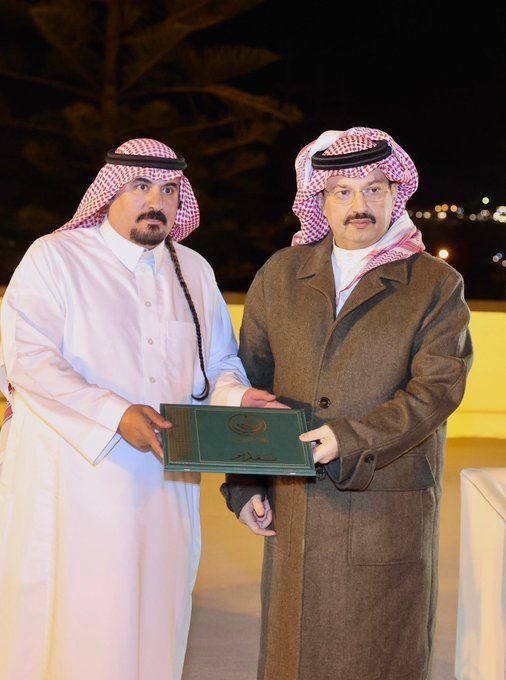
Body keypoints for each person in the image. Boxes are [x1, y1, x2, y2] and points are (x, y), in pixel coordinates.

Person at [0, 138, 280, 680]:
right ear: (109, 193)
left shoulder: (192, 270)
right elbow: (28, 359)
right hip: (75, 480)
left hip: (164, 483)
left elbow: (218, 362)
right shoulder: (56, 258)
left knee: (157, 618)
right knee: (79, 624)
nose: (157, 201)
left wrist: (236, 396)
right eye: (140, 185)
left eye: (170, 189)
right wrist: (115, 413)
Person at [221, 127, 473, 680]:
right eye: (344, 192)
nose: (360, 204)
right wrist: (245, 482)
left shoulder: (435, 284)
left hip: (383, 505)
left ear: (395, 193)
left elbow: (437, 390)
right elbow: (250, 384)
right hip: (295, 509)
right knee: (292, 657)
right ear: (321, 199)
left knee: (375, 656)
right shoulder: (280, 276)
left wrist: (350, 438)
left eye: (374, 189)